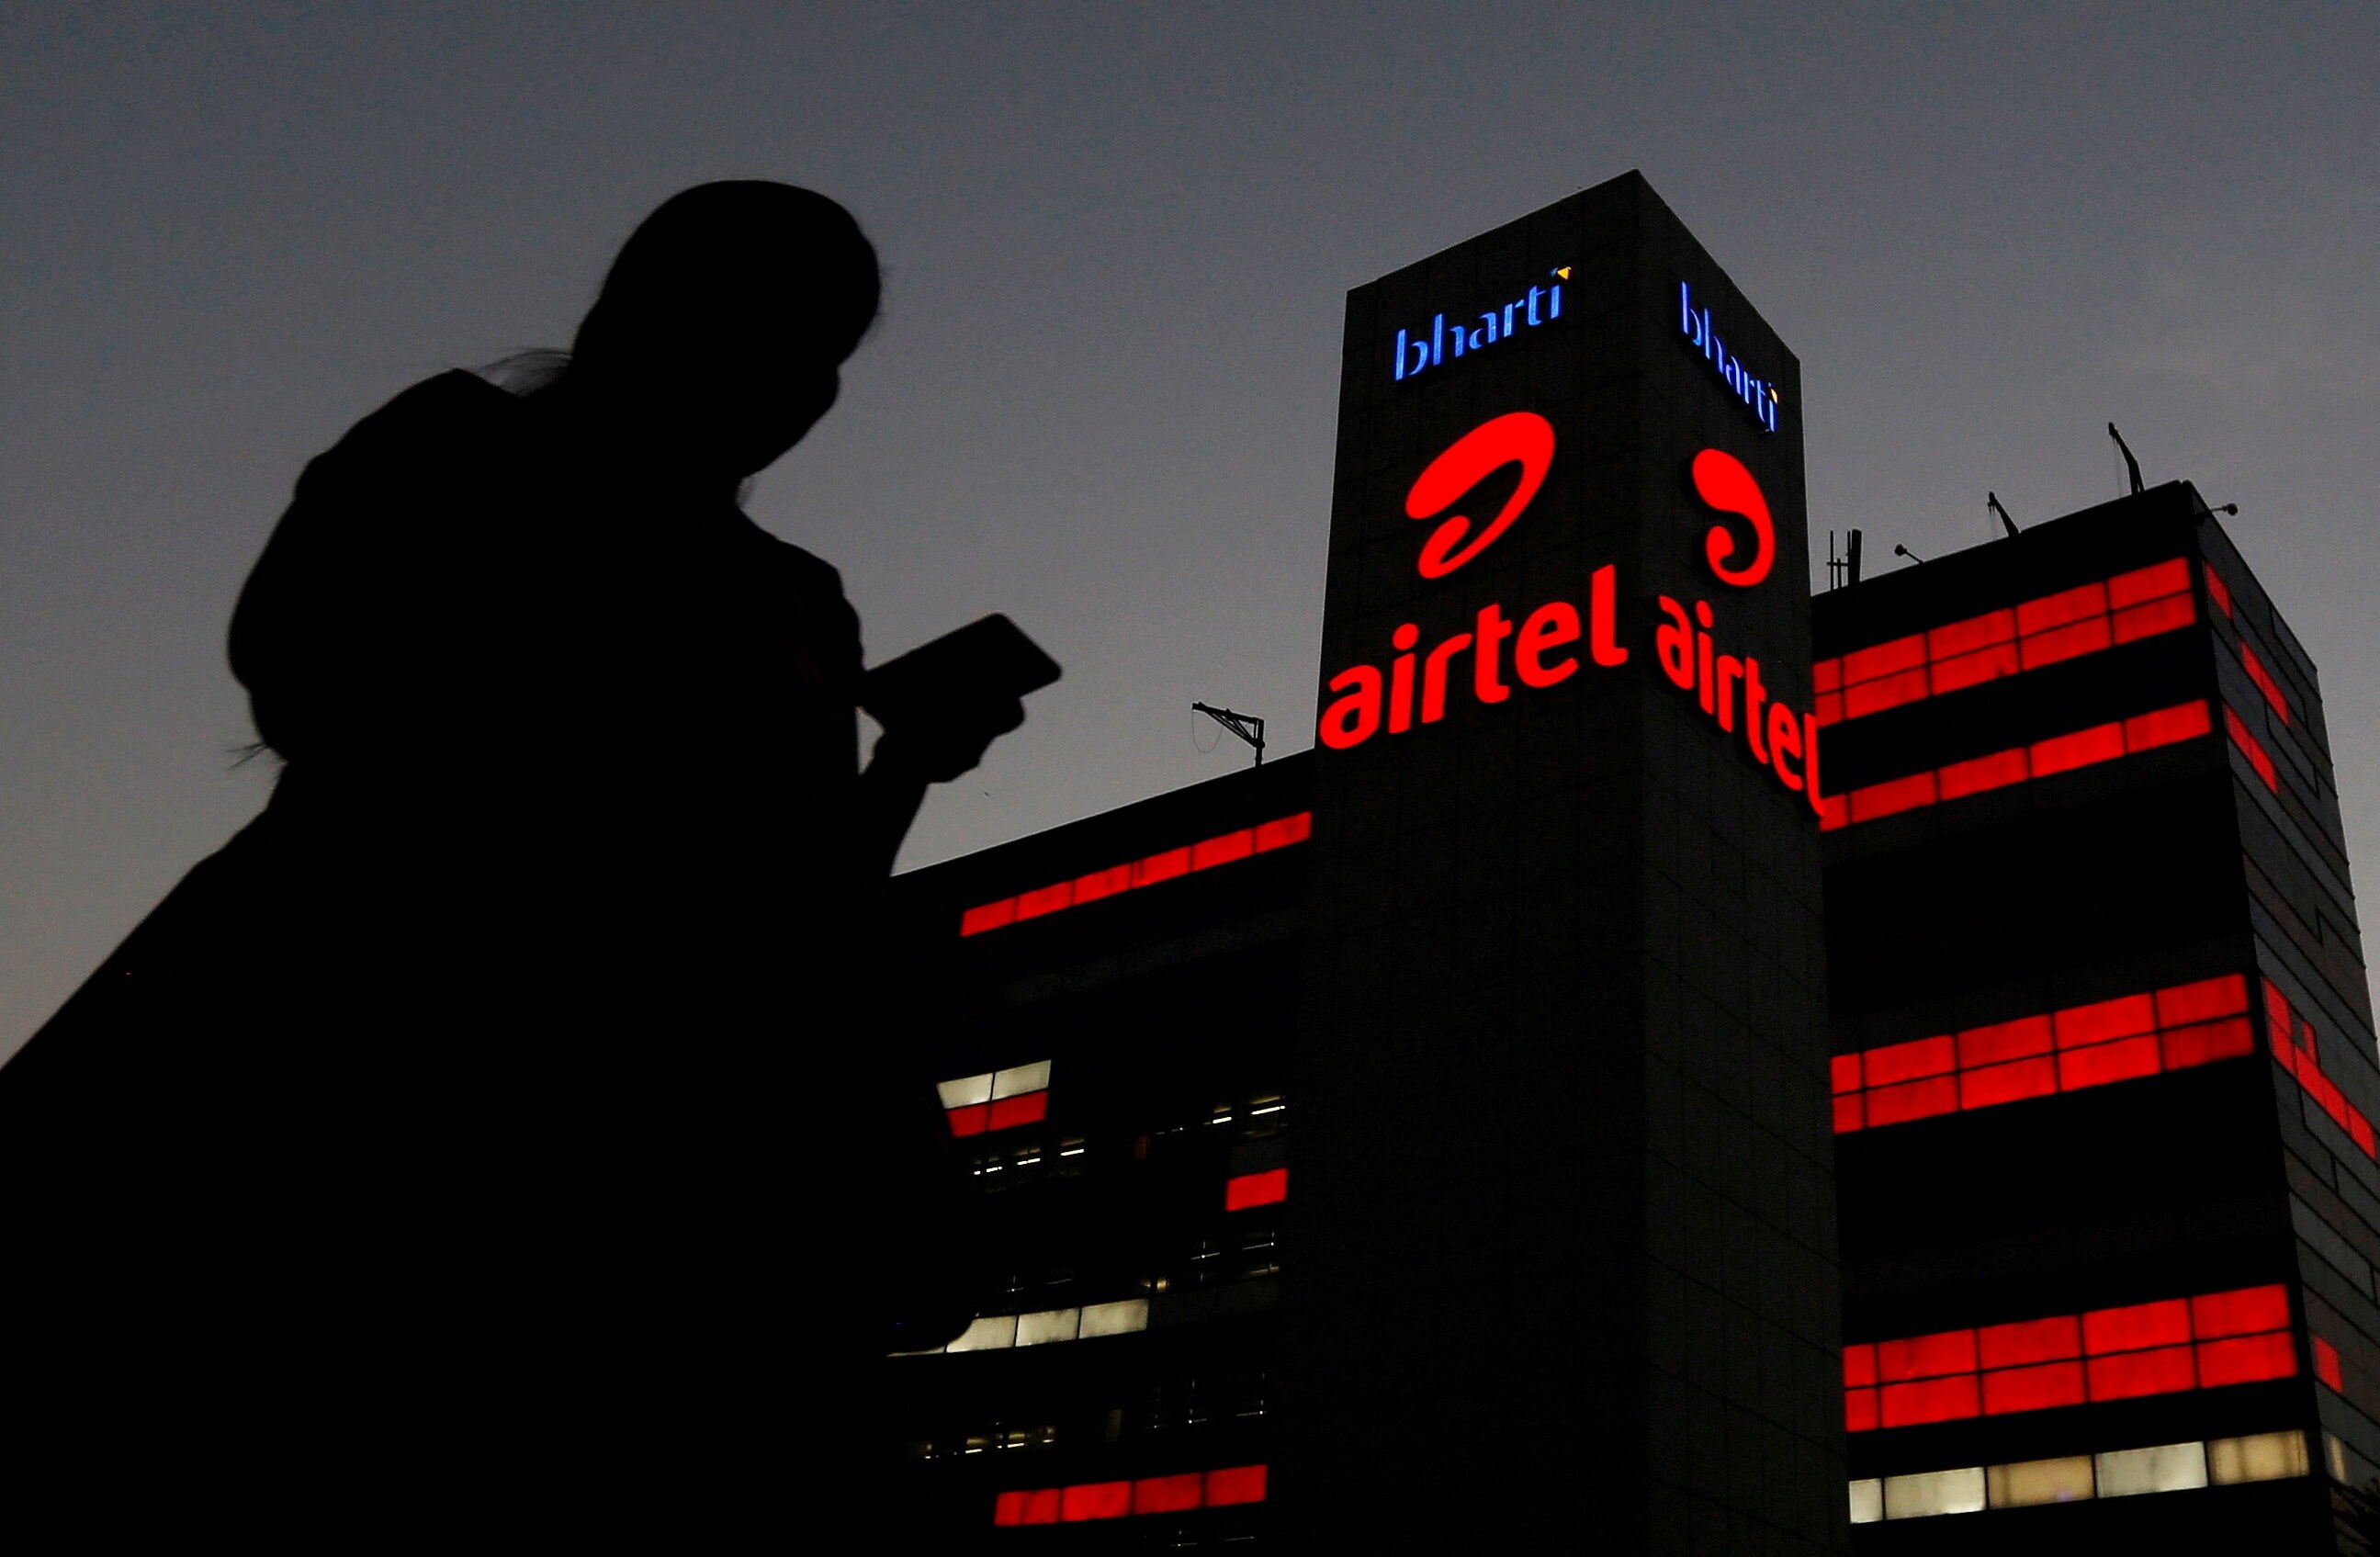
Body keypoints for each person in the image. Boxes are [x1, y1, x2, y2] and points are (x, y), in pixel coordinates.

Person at [0, 182, 1015, 1535]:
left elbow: (802, 895)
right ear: (635, 315)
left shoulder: (797, 596)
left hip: (656, 1109)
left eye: (820, 351)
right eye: (755, 323)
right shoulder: (456, 449)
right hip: (362, 1030)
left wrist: (907, 766)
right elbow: (318, 685)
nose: (790, 382)